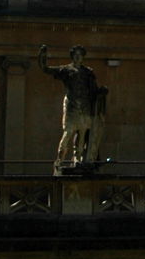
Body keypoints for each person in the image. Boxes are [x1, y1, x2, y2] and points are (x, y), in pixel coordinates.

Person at [38, 44, 107, 173]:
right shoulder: (66, 70)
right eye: (75, 54)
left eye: (80, 55)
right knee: (68, 132)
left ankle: (78, 160)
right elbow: (46, 69)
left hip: (85, 107)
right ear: (72, 56)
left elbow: (94, 90)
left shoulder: (88, 72)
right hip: (72, 106)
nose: (77, 57)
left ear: (82, 57)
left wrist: (101, 92)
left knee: (81, 134)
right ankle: (59, 160)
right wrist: (42, 56)